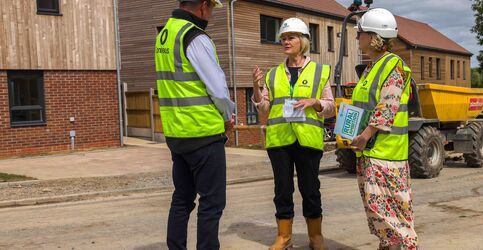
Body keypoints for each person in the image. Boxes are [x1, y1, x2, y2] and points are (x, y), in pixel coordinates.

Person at [154, 0, 234, 249]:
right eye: (211, 8)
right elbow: (218, 89)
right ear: (202, 6)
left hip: (177, 133)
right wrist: (227, 116)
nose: (211, 14)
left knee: (182, 199)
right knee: (212, 203)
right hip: (203, 131)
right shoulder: (195, 37)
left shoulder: (165, 35)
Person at [252, 18, 335, 250]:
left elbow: (331, 106)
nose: (286, 42)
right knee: (282, 190)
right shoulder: (272, 74)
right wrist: (257, 89)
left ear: (303, 41)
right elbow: (264, 109)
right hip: (279, 141)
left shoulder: (320, 71)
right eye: (283, 38)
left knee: (310, 190)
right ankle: (284, 237)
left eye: (291, 37)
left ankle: (315, 236)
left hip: (307, 140)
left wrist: (315, 102)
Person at [350, 8, 419, 250]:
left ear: (373, 36)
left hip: (386, 154)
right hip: (370, 152)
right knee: (377, 211)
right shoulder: (371, 67)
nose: (357, 37)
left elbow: (387, 107)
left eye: (360, 33)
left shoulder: (393, 65)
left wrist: (365, 134)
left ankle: (406, 246)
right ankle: (389, 246)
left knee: (392, 214)